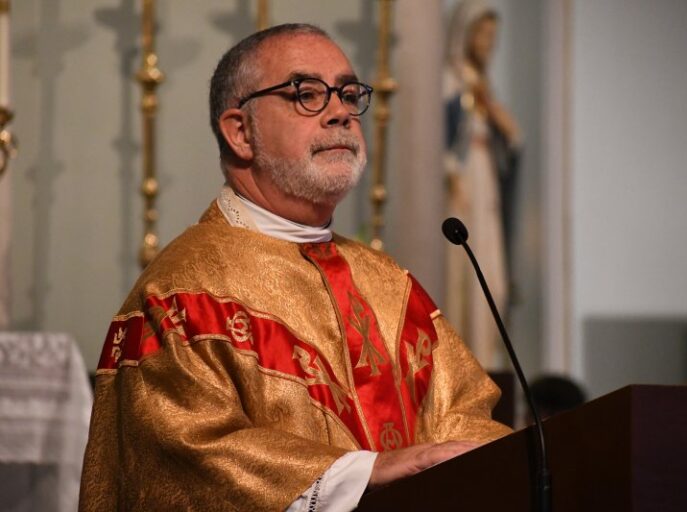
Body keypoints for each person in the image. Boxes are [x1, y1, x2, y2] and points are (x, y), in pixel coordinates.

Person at [79, 24, 511, 511]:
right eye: (307, 94)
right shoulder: (179, 295)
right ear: (240, 132)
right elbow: (178, 462)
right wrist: (364, 472)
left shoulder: (391, 286)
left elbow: (467, 423)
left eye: (349, 95)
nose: (341, 114)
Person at [444, 0, 522, 370]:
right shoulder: (452, 79)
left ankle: (486, 358)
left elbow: (511, 136)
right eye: (485, 33)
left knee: (494, 279)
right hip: (465, 183)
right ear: (468, 32)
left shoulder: (483, 86)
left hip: (485, 180)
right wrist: (451, 173)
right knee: (464, 274)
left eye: (495, 36)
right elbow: (444, 137)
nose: (490, 43)